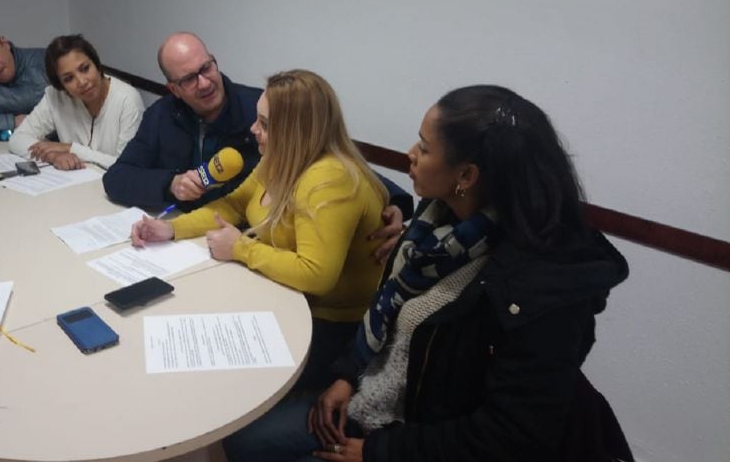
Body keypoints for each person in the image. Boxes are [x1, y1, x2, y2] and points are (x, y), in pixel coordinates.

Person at [222, 85, 632, 462]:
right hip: (378, 402)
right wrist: (347, 375)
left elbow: (508, 436)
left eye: (424, 146)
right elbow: (389, 313)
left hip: (422, 440)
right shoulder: (434, 223)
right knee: (244, 443)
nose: (410, 155)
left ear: (466, 176)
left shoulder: (541, 289)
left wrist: (378, 452)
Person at [131, 70, 393, 390]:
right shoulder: (279, 157)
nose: (254, 130)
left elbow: (316, 275)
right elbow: (233, 205)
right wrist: (170, 229)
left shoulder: (328, 180)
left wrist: (241, 247)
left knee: (225, 380)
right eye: (258, 119)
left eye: (265, 124)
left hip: (331, 326)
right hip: (286, 297)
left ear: (297, 132)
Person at [103, 32, 413, 234]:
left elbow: (337, 159)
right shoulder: (161, 115)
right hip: (183, 231)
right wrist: (170, 184)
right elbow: (117, 178)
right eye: (189, 79)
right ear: (173, 89)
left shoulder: (260, 107)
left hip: (246, 239)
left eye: (206, 68)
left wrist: (395, 204)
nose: (205, 83)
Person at [6, 34, 144, 170]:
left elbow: (127, 166)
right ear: (61, 86)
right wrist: (53, 156)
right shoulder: (55, 96)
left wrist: (69, 148)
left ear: (96, 64)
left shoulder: (128, 100)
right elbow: (17, 139)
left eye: (85, 69)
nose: (82, 82)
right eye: (68, 78)